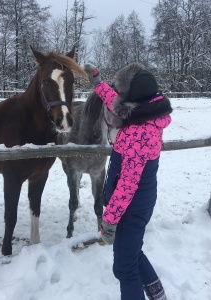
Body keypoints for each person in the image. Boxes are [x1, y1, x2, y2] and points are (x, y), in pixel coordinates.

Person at [84, 62, 172, 300]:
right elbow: (114, 100)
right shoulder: (146, 116)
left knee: (124, 268)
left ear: (133, 99)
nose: (119, 97)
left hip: (130, 209)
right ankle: (157, 294)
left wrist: (109, 222)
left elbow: (126, 186)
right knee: (131, 254)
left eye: (124, 93)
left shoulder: (137, 133)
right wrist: (97, 82)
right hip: (136, 204)